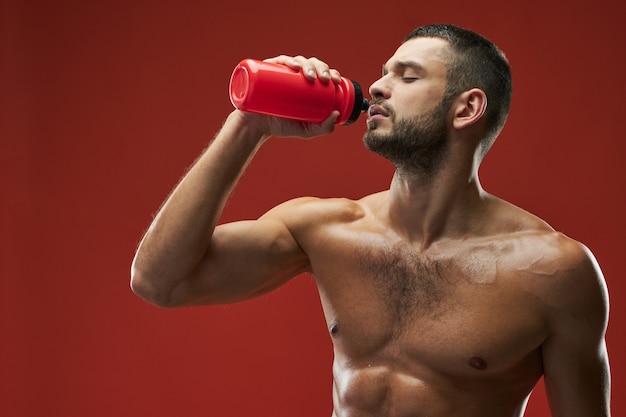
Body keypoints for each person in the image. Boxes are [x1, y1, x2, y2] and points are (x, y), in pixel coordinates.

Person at [130, 24, 611, 416]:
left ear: (467, 108)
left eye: (407, 75)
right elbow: (159, 281)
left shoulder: (554, 271)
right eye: (384, 72)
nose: (378, 85)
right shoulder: (327, 228)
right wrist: (248, 125)